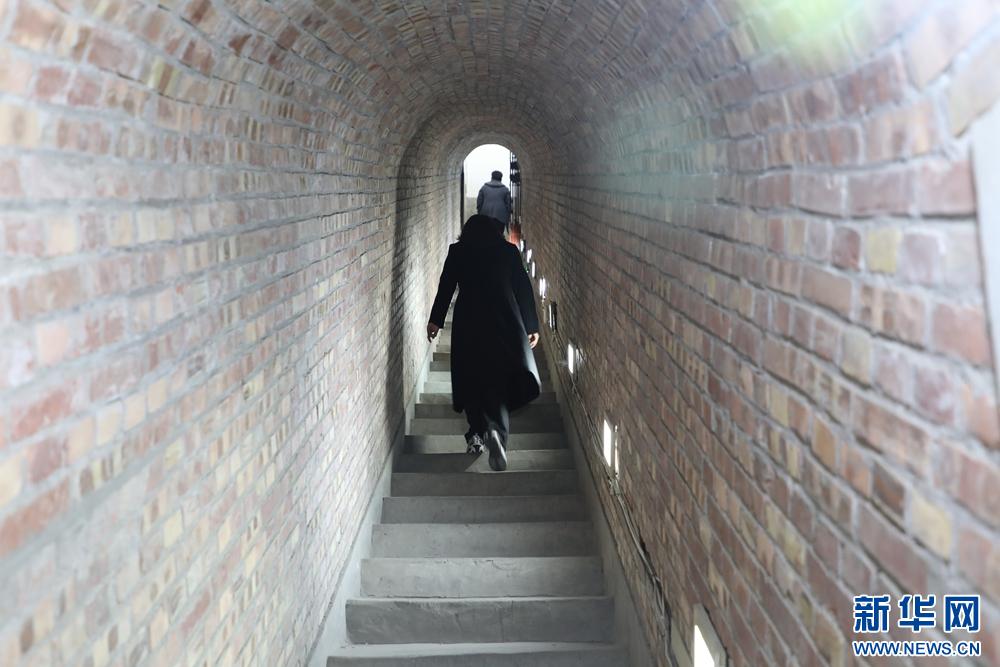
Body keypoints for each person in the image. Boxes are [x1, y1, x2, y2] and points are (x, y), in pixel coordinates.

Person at [427, 215, 541, 471]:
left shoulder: (458, 252)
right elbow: (523, 288)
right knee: (499, 381)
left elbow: (446, 286)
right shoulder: (508, 252)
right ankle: (497, 433)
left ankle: (476, 435)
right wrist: (531, 325)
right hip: (504, 324)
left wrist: (436, 320)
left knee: (472, 378)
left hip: (469, 324)